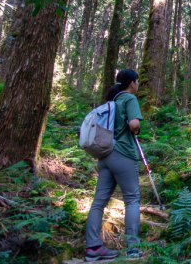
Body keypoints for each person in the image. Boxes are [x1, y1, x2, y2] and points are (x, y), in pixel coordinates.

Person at [85, 69, 144, 262]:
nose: (138, 84)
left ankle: (93, 248)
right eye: (137, 81)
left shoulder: (113, 101)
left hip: (105, 155)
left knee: (99, 202)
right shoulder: (129, 99)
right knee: (132, 199)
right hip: (124, 154)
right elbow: (134, 124)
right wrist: (136, 129)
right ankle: (133, 249)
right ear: (132, 83)